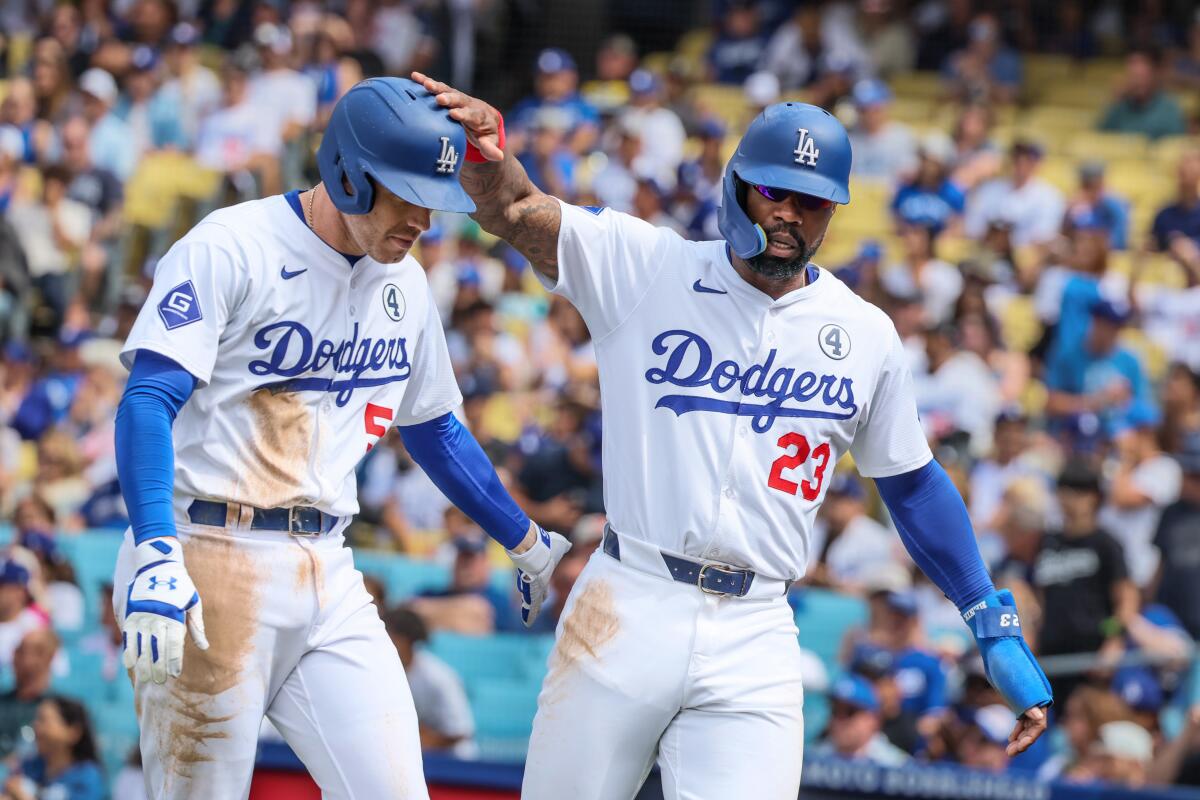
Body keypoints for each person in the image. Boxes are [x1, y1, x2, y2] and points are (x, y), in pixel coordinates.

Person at [415, 71, 1051, 799]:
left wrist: (988, 617)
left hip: (757, 626)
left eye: (811, 200)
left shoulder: (865, 332)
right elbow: (520, 210)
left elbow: (913, 485)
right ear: (738, 185)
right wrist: (491, 164)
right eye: (773, 191)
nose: (788, 214)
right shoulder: (647, 267)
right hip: (630, 597)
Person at [110, 78, 568, 798]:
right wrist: (156, 549)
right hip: (206, 553)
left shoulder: (405, 283)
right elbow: (148, 399)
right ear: (352, 174)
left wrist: (524, 539)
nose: (424, 217)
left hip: (328, 566)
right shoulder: (233, 244)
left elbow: (435, 429)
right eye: (408, 194)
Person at [1032, 459, 1138, 703]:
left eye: (1078, 493)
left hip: (1092, 659)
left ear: (1094, 498)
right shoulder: (1047, 542)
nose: (1069, 500)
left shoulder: (1105, 544)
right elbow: (1038, 597)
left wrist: (1113, 642)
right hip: (1052, 658)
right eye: (1064, 491)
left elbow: (1127, 599)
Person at [383, 606, 476, 757]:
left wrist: (417, 741)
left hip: (455, 763)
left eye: (389, 636)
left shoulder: (439, 677)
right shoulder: (386, 675)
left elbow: (461, 731)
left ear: (405, 639)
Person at [3, 696, 104, 800]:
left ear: (73, 732)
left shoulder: (86, 777)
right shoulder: (28, 767)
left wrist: (23, 797)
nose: (35, 725)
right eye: (36, 719)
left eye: (43, 720)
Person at [813, 674, 910, 766]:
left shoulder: (898, 764)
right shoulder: (814, 758)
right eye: (835, 710)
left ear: (873, 719)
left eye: (850, 712)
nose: (840, 718)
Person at [1098, 48, 1186, 140]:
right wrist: (1113, 103)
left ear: (1155, 74)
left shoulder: (1169, 110)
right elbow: (1099, 139)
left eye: (1142, 77)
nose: (1137, 83)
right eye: (1133, 76)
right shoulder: (1119, 106)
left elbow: (1175, 147)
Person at [0, 628, 58, 758]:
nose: (24, 658)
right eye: (19, 650)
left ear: (50, 657)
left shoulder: (60, 709)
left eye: (37, 651)